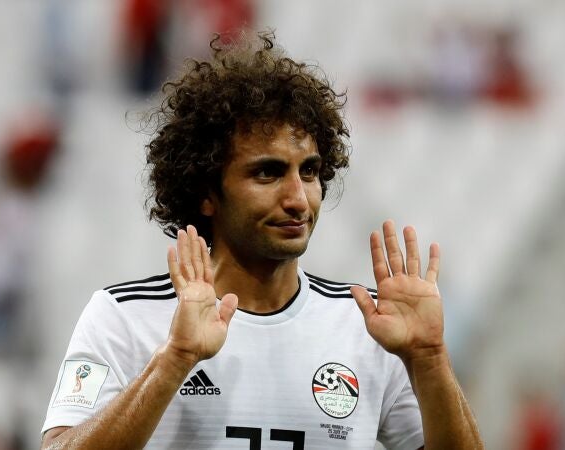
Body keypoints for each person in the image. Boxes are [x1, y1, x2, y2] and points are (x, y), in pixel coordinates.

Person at [41, 32, 483, 450]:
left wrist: (430, 357)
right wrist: (173, 360)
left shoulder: (368, 327)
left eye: (309, 172)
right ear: (206, 192)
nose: (298, 199)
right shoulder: (124, 317)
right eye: (268, 173)